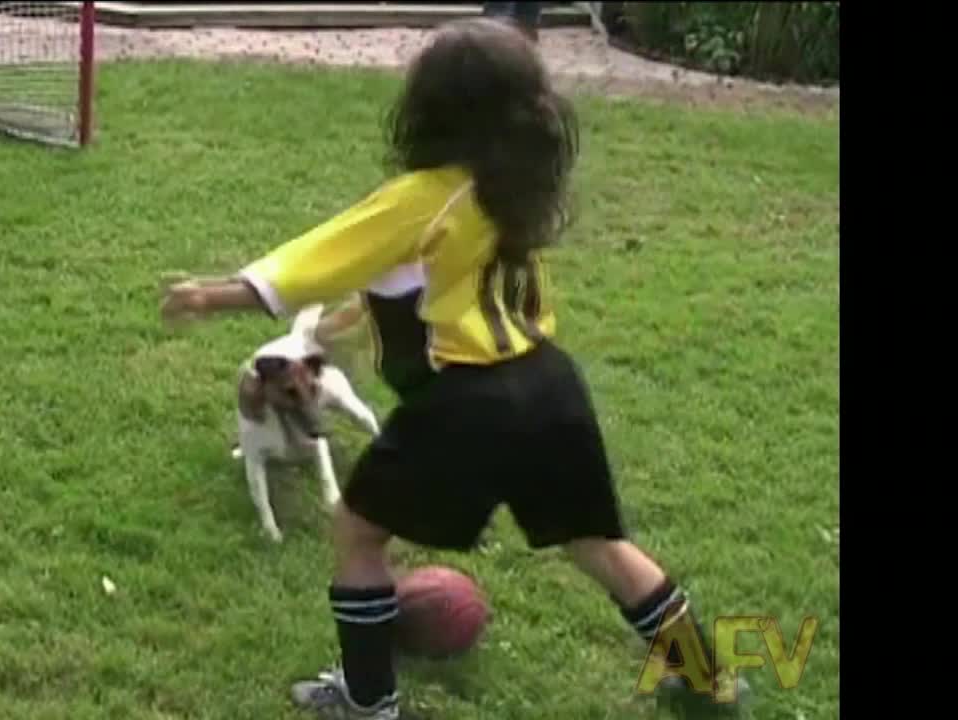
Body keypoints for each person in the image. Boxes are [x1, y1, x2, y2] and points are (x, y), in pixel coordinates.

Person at [160, 18, 746, 720]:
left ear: (428, 108)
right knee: (601, 544)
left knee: (355, 530)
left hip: (465, 403)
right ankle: (708, 679)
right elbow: (431, 280)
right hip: (549, 385)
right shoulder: (517, 191)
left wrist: (212, 293)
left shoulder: (421, 196)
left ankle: (368, 701)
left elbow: (313, 260)